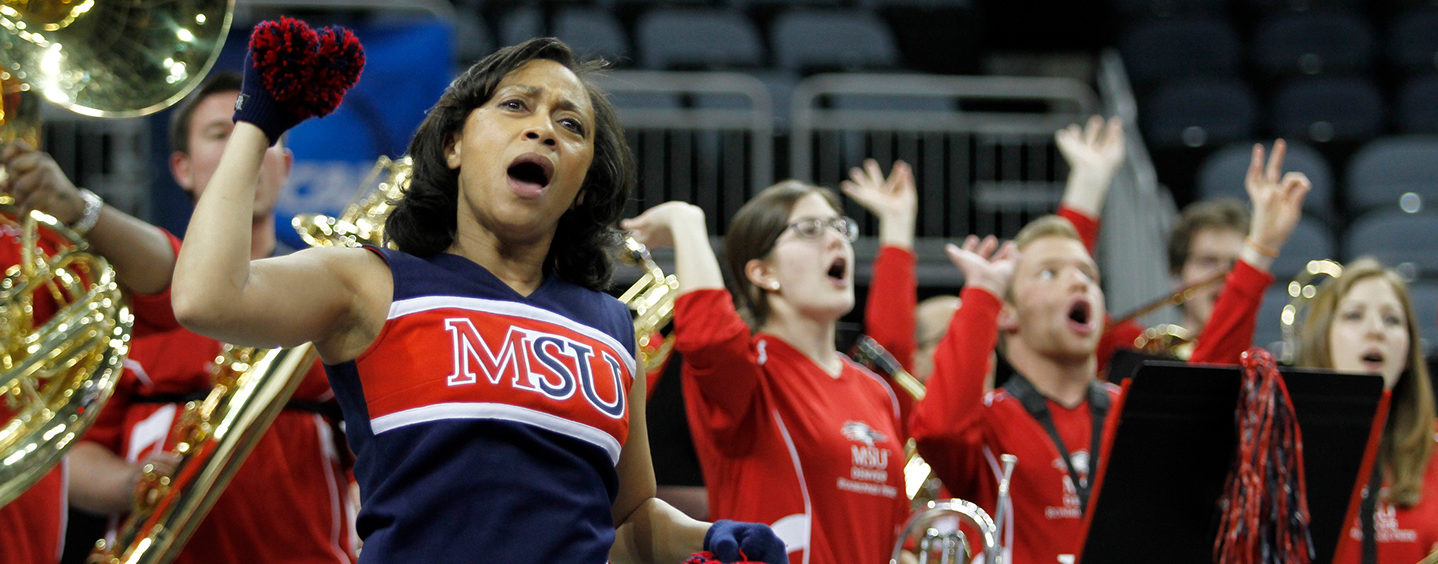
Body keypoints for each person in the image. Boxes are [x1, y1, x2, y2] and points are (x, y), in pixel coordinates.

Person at [169, 30, 783, 563]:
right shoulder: (371, 282)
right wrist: (256, 123)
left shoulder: (612, 327)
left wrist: (710, 537)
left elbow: (627, 521)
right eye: (516, 106)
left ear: (581, 179)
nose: (543, 128)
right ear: (454, 146)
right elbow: (206, 299)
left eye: (571, 125)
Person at [7, 71, 358, 563]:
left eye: (263, 135)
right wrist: (130, 483)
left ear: (286, 164)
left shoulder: (335, 297)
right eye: (222, 134)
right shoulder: (131, 301)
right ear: (182, 168)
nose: (246, 148)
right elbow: (67, 450)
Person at [910, 139, 1309, 564]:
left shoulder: (1134, 413)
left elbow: (1206, 387)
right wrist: (982, 296)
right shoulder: (988, 424)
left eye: (1088, 273)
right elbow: (939, 430)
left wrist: (1260, 248)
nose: (1079, 283)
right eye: (1050, 274)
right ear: (1008, 313)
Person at [624, 179, 909, 563]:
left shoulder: (876, 392)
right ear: (761, 273)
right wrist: (685, 222)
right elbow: (709, 335)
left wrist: (898, 226)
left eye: (840, 228)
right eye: (809, 230)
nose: (836, 241)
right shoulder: (750, 372)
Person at [1295, 258, 1438, 563]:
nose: (1376, 331)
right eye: (1354, 315)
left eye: (1392, 320)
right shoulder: (1283, 452)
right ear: (1322, 339)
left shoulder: (1434, 449)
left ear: (1409, 351)